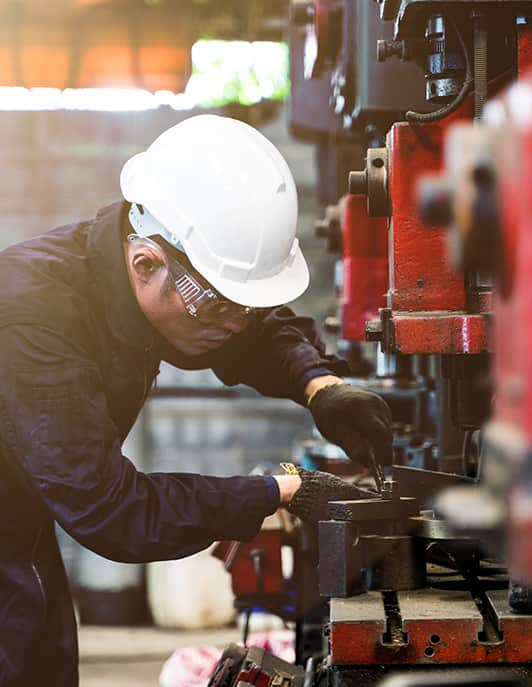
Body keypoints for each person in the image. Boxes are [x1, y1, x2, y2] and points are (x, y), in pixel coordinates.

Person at [0, 114, 392, 686]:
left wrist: (322, 386)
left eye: (245, 309)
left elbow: (255, 330)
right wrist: (281, 491)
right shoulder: (34, 318)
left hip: (22, 535)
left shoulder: (143, 283)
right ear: (146, 264)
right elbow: (113, 512)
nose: (237, 327)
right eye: (221, 309)